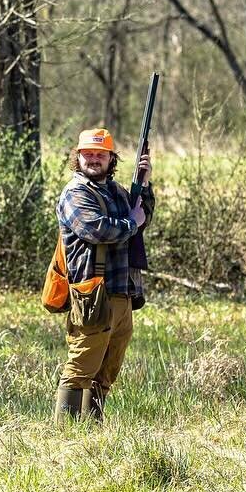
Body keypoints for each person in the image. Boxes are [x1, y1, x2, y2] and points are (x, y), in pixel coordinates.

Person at [52, 127, 153, 422]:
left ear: (111, 159)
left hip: (122, 290)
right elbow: (98, 229)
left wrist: (143, 186)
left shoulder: (119, 191)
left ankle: (91, 429)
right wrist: (132, 222)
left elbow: (142, 218)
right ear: (78, 157)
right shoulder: (75, 193)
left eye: (101, 154)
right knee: (82, 365)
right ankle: (65, 433)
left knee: (108, 367)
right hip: (92, 293)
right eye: (88, 154)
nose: (94, 159)